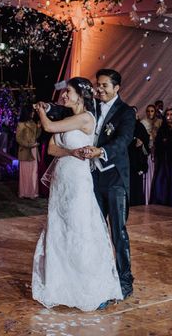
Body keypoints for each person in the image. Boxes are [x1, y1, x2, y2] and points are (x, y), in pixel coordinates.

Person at [32, 77, 122, 311]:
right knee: (59, 230)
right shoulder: (67, 118)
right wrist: (71, 151)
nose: (63, 96)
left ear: (81, 95)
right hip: (61, 181)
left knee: (78, 231)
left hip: (78, 182)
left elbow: (49, 128)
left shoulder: (85, 118)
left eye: (68, 92)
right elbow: (52, 148)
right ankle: (61, 287)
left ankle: (91, 288)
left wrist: (42, 110)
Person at [79, 69, 137, 299]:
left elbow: (123, 140)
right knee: (95, 230)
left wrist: (101, 151)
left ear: (116, 88)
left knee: (118, 232)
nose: (99, 89)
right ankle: (98, 275)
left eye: (104, 86)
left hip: (115, 180)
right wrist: (49, 108)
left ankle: (125, 280)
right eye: (98, 85)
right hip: (93, 177)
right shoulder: (91, 106)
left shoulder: (126, 112)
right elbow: (68, 111)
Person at [150, 108, 172, 207]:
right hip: (163, 159)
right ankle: (160, 200)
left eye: (171, 114)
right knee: (161, 180)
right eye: (167, 114)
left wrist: (169, 142)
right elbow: (158, 142)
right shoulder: (163, 129)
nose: (169, 116)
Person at [16, 106, 41, 199]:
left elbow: (36, 136)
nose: (33, 113)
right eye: (32, 111)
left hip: (34, 149)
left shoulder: (33, 123)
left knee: (33, 172)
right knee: (24, 172)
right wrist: (28, 145)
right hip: (25, 150)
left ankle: (32, 193)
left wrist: (39, 128)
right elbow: (18, 138)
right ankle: (23, 192)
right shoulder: (21, 124)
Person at [128, 106, 150, 206]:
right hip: (127, 158)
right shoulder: (125, 125)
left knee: (137, 182)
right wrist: (133, 141)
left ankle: (137, 203)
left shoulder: (140, 126)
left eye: (135, 113)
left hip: (137, 160)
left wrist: (141, 143)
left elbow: (145, 139)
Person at [141, 104, 161, 204]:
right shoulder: (143, 122)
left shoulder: (159, 122)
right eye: (148, 111)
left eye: (152, 111)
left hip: (157, 151)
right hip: (147, 151)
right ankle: (147, 198)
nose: (150, 113)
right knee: (148, 175)